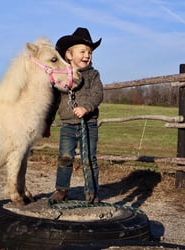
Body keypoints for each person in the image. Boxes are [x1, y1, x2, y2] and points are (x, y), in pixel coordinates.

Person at [49, 27, 103, 204]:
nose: (87, 55)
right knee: (65, 158)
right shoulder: (61, 76)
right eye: (83, 51)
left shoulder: (93, 75)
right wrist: (47, 123)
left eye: (90, 52)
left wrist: (86, 108)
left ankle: (92, 193)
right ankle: (62, 191)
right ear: (69, 55)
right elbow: (54, 100)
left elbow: (97, 94)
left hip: (88, 124)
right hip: (67, 126)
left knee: (89, 159)